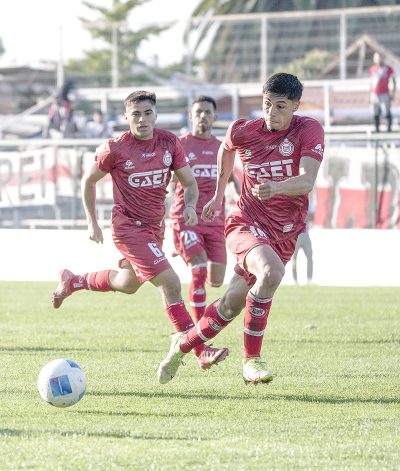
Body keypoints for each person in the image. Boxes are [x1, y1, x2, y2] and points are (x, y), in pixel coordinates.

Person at [158, 72, 325, 385]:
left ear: (295, 106)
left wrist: (275, 187)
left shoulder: (309, 129)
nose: (271, 113)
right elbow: (226, 149)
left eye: (280, 106)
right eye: (266, 105)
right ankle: (252, 361)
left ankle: (180, 346)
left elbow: (307, 181)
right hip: (245, 222)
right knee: (271, 273)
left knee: (230, 304)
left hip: (285, 231)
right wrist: (220, 195)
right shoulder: (244, 130)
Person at [51, 90, 229, 381]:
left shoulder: (169, 143)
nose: (142, 119)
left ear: (155, 115)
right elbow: (88, 181)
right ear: (126, 117)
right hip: (127, 227)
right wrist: (91, 222)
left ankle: (74, 281)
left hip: (154, 228)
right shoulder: (116, 148)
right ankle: (198, 350)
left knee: (127, 283)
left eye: (148, 113)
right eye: (136, 114)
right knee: (170, 282)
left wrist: (192, 207)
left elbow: (190, 182)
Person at [170, 95, 238, 321]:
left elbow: (231, 181)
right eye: (198, 112)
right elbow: (165, 178)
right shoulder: (180, 144)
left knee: (216, 280)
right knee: (198, 269)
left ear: (215, 117)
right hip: (186, 217)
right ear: (191, 116)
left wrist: (241, 199)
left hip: (215, 221)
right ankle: (198, 330)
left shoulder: (222, 149)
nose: (203, 116)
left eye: (208, 112)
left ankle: (185, 249)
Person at [369, 52, 396, 132]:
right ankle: (377, 129)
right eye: (376, 58)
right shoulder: (372, 69)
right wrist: (370, 94)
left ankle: (388, 129)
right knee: (375, 113)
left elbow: (393, 81)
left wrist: (392, 93)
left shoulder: (387, 69)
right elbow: (371, 82)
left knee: (386, 112)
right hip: (374, 94)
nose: (378, 59)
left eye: (379, 57)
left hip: (384, 93)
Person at [292, 206, 314, 285]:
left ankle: (309, 279)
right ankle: (295, 280)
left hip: (305, 234)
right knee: (294, 259)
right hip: (296, 235)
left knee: (310, 257)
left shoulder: (307, 204)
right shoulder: (294, 204)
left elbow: (311, 217)